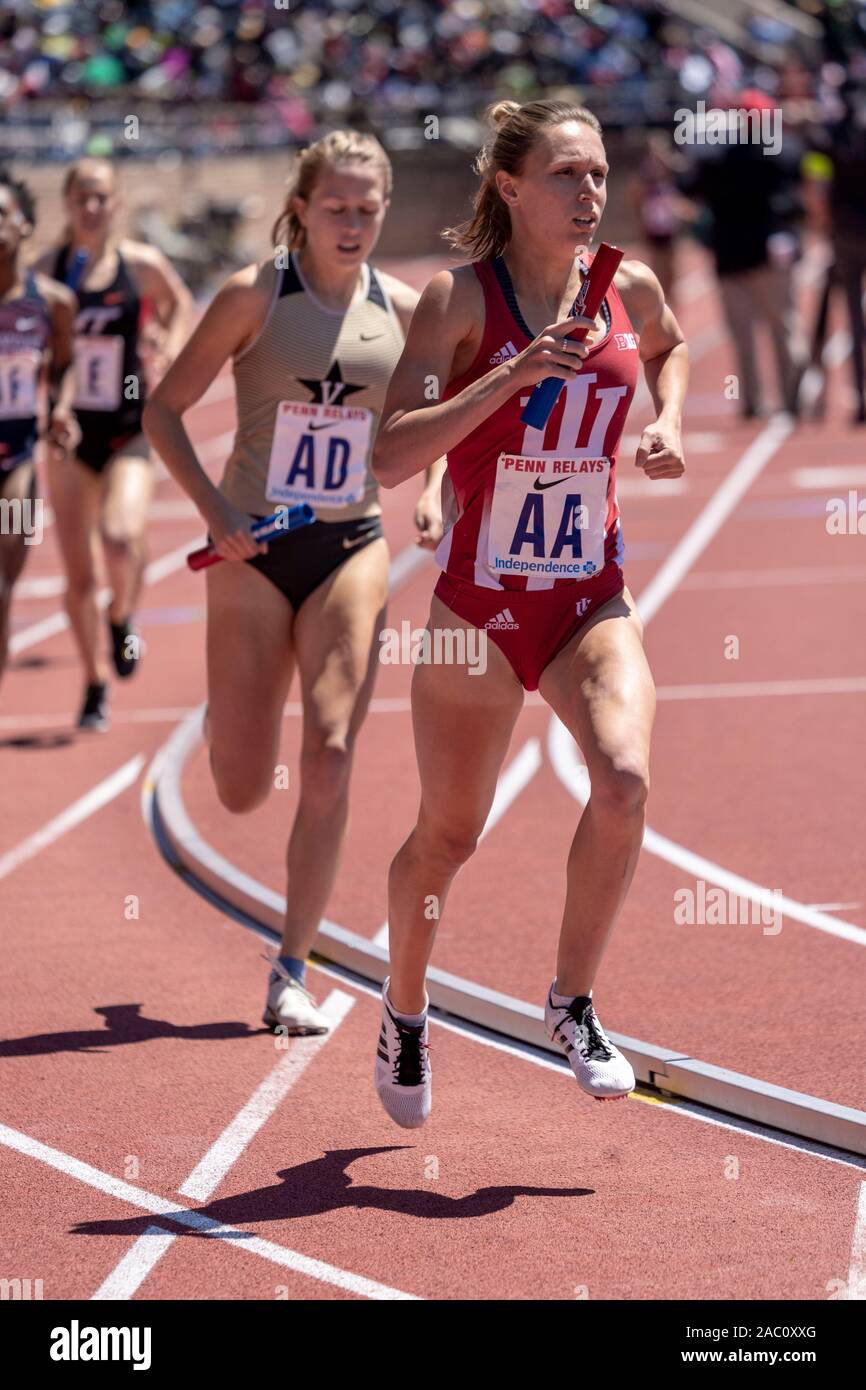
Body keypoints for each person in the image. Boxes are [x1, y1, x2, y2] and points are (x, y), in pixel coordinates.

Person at [371, 98, 688, 1128]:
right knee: (446, 838)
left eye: (597, 173)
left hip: (587, 595)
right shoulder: (456, 301)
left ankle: (569, 1001)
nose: (589, 191)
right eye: (565, 173)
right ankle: (406, 1006)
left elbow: (670, 347)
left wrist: (666, 419)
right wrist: (507, 376)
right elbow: (389, 453)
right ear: (509, 186)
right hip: (475, 608)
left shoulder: (625, 284)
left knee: (624, 775)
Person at [144, 130, 445, 1036]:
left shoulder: (401, 307)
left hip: (349, 543)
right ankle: (240, 716)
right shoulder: (254, 295)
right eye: (337, 207)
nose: (353, 223)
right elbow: (161, 409)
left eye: (368, 208)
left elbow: (432, 423)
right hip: (250, 550)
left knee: (331, 751)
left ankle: (290, 967)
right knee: (239, 783)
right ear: (303, 208)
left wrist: (430, 491)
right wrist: (214, 512)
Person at [32, 158, 192, 730]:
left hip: (128, 427)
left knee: (121, 540)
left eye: (102, 198)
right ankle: (95, 681)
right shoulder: (47, 272)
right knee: (79, 578)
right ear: (69, 204)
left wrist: (167, 345)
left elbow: (178, 303)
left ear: (116, 203)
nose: (92, 208)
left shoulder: (139, 266)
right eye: (83, 199)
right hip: (69, 436)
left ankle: (122, 618)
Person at [0, 169, 78, 687]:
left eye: (3, 213)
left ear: (26, 225)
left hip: (18, 456)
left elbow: (66, 365)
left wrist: (61, 409)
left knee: (3, 586)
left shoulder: (53, 302)